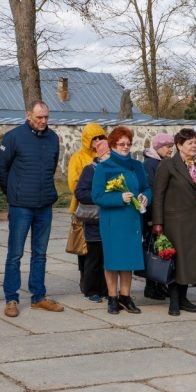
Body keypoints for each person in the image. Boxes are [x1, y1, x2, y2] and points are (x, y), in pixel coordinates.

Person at [0, 100, 63, 316]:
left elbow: (52, 165)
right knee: (15, 254)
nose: (43, 121)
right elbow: (1, 168)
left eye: (46, 117)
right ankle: (11, 298)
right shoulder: (14, 137)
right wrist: (13, 193)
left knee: (40, 253)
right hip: (21, 206)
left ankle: (39, 296)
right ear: (28, 115)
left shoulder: (53, 138)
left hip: (44, 205)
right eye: (39, 117)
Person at [152, 128, 196, 316]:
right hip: (174, 221)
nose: (194, 146)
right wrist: (157, 223)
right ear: (179, 146)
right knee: (175, 261)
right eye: (190, 143)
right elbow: (158, 195)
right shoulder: (169, 165)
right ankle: (174, 300)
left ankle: (184, 298)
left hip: (195, 221)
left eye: (195, 142)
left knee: (190, 262)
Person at [91, 126, 149, 314]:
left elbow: (147, 188)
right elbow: (97, 196)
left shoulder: (137, 166)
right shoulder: (104, 167)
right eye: (121, 144)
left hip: (132, 219)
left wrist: (145, 197)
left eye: (128, 144)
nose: (125, 147)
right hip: (113, 221)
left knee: (129, 259)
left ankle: (126, 295)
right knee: (113, 260)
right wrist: (118, 198)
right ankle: (112, 296)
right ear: (112, 145)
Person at [67, 123, 107, 294]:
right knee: (84, 247)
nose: (97, 141)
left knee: (99, 249)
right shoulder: (79, 158)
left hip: (103, 210)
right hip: (83, 209)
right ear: (87, 140)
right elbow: (74, 182)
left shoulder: (106, 155)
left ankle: (101, 282)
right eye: (94, 138)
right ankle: (85, 278)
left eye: (100, 137)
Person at [74, 137, 111, 303]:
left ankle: (106, 289)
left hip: (111, 221)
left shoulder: (116, 170)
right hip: (95, 221)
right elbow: (80, 192)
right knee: (94, 258)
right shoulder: (91, 170)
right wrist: (100, 197)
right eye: (110, 153)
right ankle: (91, 290)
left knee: (108, 258)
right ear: (102, 154)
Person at [141, 132, 174, 299]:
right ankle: (151, 286)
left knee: (161, 249)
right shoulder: (150, 164)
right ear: (159, 147)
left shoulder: (162, 162)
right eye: (168, 147)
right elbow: (154, 190)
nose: (170, 150)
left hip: (163, 213)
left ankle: (160, 283)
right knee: (153, 250)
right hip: (153, 215)